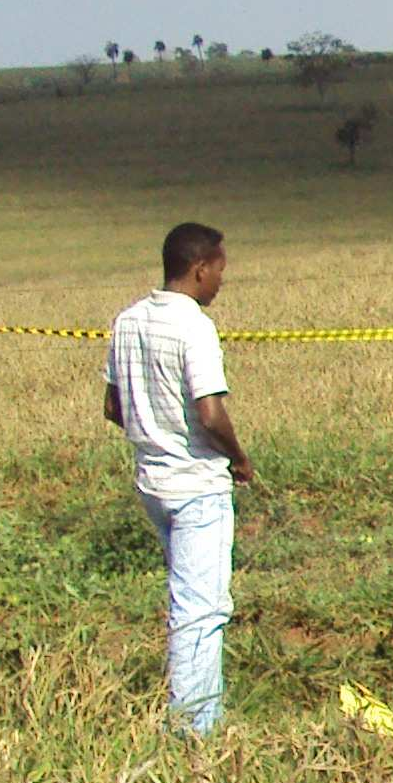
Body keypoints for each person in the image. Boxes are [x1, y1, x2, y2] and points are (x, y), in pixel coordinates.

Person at [105, 222, 255, 733]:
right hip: (197, 485)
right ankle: (195, 727)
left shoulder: (127, 321)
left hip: (152, 481)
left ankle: (192, 714)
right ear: (198, 269)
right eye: (219, 271)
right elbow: (210, 413)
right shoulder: (195, 327)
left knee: (183, 597)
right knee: (203, 609)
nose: (220, 281)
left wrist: (155, 431)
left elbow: (113, 406)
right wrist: (239, 458)